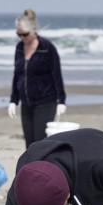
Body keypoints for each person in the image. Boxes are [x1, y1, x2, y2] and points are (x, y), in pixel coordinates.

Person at [7, 9, 68, 147]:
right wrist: (13, 100)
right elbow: (17, 74)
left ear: (34, 30)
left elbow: (56, 74)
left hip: (45, 101)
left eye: (25, 34)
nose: (22, 38)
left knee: (39, 142)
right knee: (29, 144)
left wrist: (61, 100)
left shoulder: (47, 48)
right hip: (26, 103)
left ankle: (41, 168)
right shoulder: (19, 48)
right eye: (19, 34)